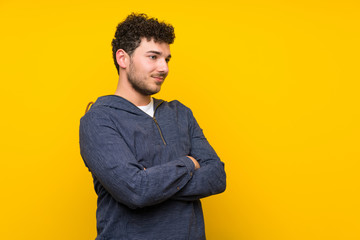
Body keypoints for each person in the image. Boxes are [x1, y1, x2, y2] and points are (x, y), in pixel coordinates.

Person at [79, 13, 226, 240]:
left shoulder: (180, 114)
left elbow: (217, 177)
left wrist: (151, 183)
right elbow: (135, 191)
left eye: (166, 59)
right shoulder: (98, 120)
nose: (164, 68)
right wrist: (189, 163)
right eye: (153, 57)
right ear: (123, 59)